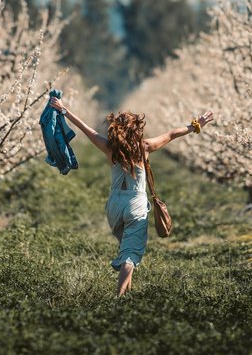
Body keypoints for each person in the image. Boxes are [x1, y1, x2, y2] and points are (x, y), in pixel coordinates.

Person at [48, 96, 214, 296]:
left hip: (115, 205)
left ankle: (126, 293)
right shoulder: (144, 147)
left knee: (127, 248)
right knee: (130, 254)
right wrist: (196, 125)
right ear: (136, 129)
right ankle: (119, 298)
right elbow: (171, 134)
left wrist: (64, 110)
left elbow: (87, 129)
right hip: (135, 203)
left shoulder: (110, 148)